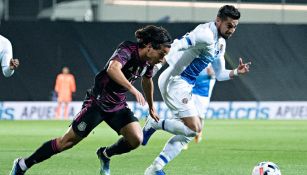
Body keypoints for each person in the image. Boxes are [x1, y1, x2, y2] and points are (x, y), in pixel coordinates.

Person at [10, 25, 172, 175]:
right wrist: (132, 89)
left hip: (118, 105)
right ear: (150, 46)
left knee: (136, 139)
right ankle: (23, 164)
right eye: (162, 54)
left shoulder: (149, 61)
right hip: (98, 102)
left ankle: (104, 154)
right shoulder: (128, 49)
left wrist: (151, 107)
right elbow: (112, 69)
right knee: (66, 142)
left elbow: (147, 80)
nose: (162, 59)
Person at [142, 5, 251, 175]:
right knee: (194, 128)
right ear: (218, 20)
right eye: (229, 25)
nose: (232, 30)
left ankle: (155, 168)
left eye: (235, 26)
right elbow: (177, 45)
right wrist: (156, 65)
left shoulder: (220, 43)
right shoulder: (205, 34)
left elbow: (219, 74)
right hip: (174, 82)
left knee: (187, 134)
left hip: (184, 86)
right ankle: (154, 123)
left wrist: (237, 72)